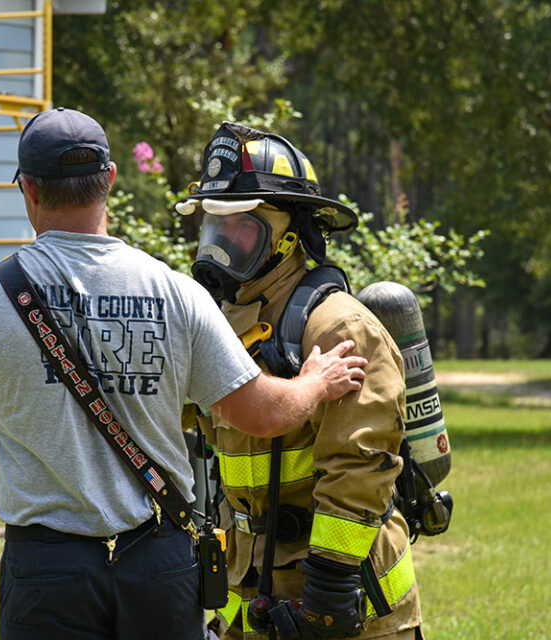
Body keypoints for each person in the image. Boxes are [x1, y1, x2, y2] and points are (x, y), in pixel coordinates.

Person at [0, 107, 368, 640]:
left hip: (46, 570)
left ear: (28, 189)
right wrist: (316, 382)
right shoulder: (178, 295)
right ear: (109, 179)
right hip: (160, 559)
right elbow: (262, 415)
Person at [175, 122, 422, 639]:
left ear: (290, 236)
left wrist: (329, 591)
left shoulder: (338, 328)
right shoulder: (219, 323)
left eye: (241, 227)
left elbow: (359, 466)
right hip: (251, 594)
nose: (221, 243)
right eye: (215, 225)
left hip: (345, 607)